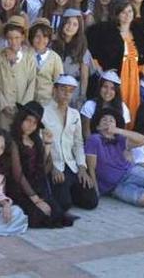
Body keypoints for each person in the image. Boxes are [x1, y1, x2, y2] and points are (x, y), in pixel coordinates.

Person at [7, 102, 69, 228]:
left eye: (35, 123)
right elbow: (18, 174)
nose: (31, 125)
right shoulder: (12, 141)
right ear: (21, 119)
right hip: (19, 189)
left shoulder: (35, 140)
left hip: (36, 187)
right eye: (28, 120)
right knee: (38, 216)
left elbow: (44, 170)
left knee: (56, 213)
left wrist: (47, 145)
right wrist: (35, 199)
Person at [43, 75, 99, 213]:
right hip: (54, 166)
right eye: (63, 89)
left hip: (71, 165)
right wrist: (53, 168)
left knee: (91, 201)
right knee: (63, 205)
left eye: (70, 90)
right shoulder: (44, 112)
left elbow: (78, 143)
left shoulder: (74, 114)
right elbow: (42, 145)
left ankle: (68, 191)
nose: (66, 94)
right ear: (55, 90)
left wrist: (82, 167)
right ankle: (62, 193)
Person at [0, 15, 37, 130]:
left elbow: (31, 83)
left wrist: (23, 107)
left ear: (23, 37)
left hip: (21, 109)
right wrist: (3, 105)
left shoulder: (29, 57)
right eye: (10, 38)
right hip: (3, 110)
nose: (13, 41)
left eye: (17, 38)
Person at [53, 9, 92, 108]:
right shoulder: (53, 45)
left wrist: (82, 96)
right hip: (55, 89)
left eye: (75, 24)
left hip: (73, 91)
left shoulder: (82, 48)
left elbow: (84, 76)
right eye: (68, 23)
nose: (70, 27)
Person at [81, 70, 130, 138]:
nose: (108, 91)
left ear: (116, 91)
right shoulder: (90, 105)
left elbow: (123, 134)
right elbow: (86, 133)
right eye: (105, 87)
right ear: (100, 88)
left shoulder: (123, 107)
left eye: (112, 88)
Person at [30, 18, 64, 104]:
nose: (41, 40)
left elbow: (59, 83)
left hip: (47, 103)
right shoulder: (25, 55)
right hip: (28, 101)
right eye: (37, 36)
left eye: (45, 37)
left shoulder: (55, 58)